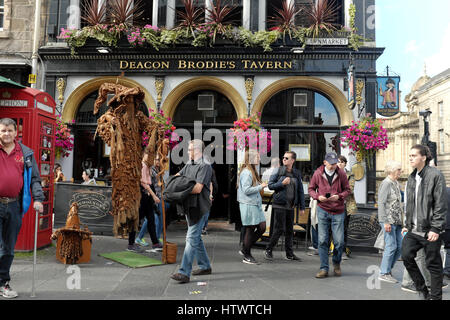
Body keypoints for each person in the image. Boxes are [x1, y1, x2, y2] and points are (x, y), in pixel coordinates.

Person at [0, 118, 44, 298]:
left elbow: (34, 178)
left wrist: (38, 199)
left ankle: (3, 283)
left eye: (10, 130)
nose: (7, 134)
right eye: (3, 130)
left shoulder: (25, 153)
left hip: (14, 205)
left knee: (8, 248)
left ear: (15, 132)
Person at [401, 144, 447, 300]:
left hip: (430, 230)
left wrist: (436, 228)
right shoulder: (412, 177)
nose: (410, 158)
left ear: (424, 157)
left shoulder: (435, 175)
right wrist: (406, 225)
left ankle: (436, 297)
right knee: (406, 256)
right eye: (410, 155)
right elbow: (409, 204)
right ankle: (423, 291)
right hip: (413, 230)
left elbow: (440, 204)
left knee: (433, 265)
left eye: (414, 155)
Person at [170, 139, 212, 284]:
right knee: (196, 238)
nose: (188, 152)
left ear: (198, 150)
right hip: (190, 205)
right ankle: (205, 266)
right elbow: (177, 176)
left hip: (200, 207)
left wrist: (178, 190)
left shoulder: (205, 165)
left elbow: (198, 188)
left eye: (190, 150)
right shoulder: (190, 163)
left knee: (191, 237)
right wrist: (171, 185)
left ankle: (184, 272)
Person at [308, 152, 351, 279]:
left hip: (338, 210)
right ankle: (324, 268)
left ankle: (336, 263)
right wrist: (317, 197)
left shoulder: (341, 173)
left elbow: (347, 190)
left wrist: (339, 196)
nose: (333, 166)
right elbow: (310, 189)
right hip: (323, 209)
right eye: (330, 163)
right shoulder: (318, 173)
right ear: (324, 162)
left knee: (339, 241)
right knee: (322, 240)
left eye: (334, 163)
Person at [264, 151, 305, 262]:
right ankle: (269, 249)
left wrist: (302, 207)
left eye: (287, 158)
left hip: (291, 206)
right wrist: (282, 184)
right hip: (279, 205)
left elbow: (300, 190)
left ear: (293, 160)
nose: (284, 159)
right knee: (279, 229)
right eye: (283, 158)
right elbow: (270, 185)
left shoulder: (296, 173)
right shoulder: (278, 170)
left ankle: (289, 254)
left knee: (289, 230)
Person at [237, 149, 268, 264]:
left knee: (262, 227)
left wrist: (260, 185)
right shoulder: (247, 172)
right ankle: (247, 254)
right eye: (257, 157)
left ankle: (245, 248)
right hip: (249, 204)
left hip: (255, 204)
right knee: (250, 229)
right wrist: (261, 186)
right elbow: (246, 190)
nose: (259, 159)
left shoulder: (252, 170)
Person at [128, 152, 162, 252]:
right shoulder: (142, 166)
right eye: (148, 156)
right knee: (136, 220)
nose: (150, 158)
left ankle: (155, 242)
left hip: (147, 196)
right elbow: (144, 183)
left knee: (151, 219)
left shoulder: (148, 167)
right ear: (144, 155)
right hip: (142, 195)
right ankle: (131, 244)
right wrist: (154, 196)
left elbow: (149, 183)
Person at [377, 160, 404, 283]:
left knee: (399, 247)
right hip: (388, 220)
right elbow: (381, 203)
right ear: (392, 170)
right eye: (399, 169)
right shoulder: (386, 183)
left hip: (397, 220)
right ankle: (384, 272)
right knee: (391, 246)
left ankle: (387, 269)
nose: (401, 171)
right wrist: (385, 221)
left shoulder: (396, 183)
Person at [135, 155, 169, 247]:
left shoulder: (156, 169)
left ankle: (155, 240)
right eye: (157, 159)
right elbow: (147, 184)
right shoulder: (151, 169)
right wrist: (154, 196)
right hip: (153, 197)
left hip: (158, 196)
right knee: (153, 219)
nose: (158, 161)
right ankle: (151, 240)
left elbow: (160, 183)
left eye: (159, 160)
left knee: (154, 219)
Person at [337, 155, 356, 259]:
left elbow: (350, 189)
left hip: (345, 205)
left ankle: (343, 250)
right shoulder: (332, 174)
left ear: (345, 163)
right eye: (338, 162)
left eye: (341, 162)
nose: (339, 164)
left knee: (343, 228)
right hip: (333, 205)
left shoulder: (350, 175)